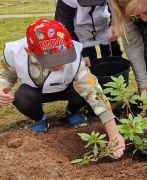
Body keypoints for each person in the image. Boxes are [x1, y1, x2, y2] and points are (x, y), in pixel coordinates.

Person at [0, 19, 125, 157]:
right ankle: (40, 118)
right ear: (30, 52)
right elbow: (6, 74)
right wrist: (1, 87)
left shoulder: (76, 58)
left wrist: (114, 134)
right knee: (22, 97)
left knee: (83, 90)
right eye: (52, 61)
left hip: (68, 89)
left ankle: (73, 112)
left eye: (63, 57)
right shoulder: (15, 53)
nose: (59, 65)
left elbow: (93, 90)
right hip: (35, 91)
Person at [48, 0, 122, 67]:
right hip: (80, 30)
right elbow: (64, 27)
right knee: (89, 61)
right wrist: (80, 53)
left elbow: (116, 9)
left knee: (113, 56)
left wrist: (114, 24)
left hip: (104, 24)